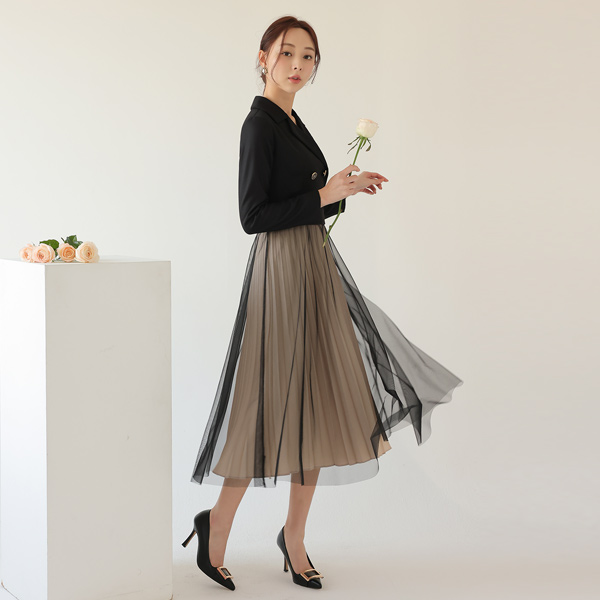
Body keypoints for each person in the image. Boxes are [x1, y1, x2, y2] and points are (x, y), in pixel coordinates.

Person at [182, 15, 463, 592]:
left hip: (311, 264)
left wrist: (340, 190)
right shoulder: (259, 124)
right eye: (287, 53)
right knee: (266, 400)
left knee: (318, 399)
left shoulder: (291, 120)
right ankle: (218, 525)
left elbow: (301, 199)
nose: (298, 65)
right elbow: (252, 216)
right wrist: (323, 194)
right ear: (263, 56)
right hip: (283, 272)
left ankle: (294, 537)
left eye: (308, 56)